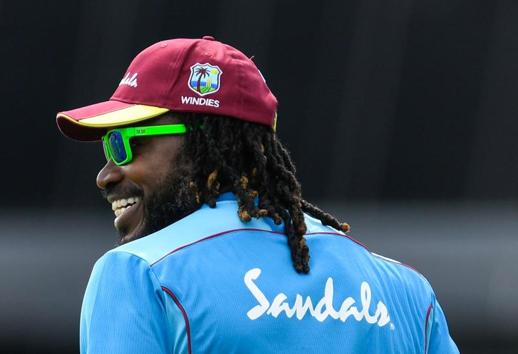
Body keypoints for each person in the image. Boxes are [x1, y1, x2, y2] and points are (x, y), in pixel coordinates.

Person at [56, 36, 459, 354]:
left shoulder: (137, 274)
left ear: (203, 148)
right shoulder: (408, 292)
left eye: (121, 144)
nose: (105, 174)